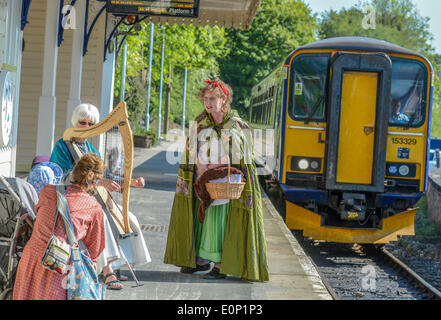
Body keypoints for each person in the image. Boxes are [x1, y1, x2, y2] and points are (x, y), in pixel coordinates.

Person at [163, 79, 269, 281]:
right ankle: (201, 260)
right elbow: (191, 148)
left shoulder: (235, 124)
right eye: (205, 98)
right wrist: (199, 165)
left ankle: (221, 264)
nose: (208, 102)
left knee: (219, 221)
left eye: (212, 98)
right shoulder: (201, 121)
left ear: (224, 100)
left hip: (225, 180)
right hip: (201, 177)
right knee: (200, 216)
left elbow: (239, 154)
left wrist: (214, 167)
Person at [50, 103, 150, 290]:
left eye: (91, 124)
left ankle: (118, 264)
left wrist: (130, 182)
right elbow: (61, 176)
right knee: (101, 218)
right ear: (75, 122)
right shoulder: (62, 146)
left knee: (128, 218)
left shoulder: (92, 151)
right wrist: (96, 182)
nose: (86, 127)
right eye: (82, 122)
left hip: (92, 198)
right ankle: (107, 270)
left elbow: (106, 179)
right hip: (71, 198)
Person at [13, 153, 107, 300]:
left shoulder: (48, 191)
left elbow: (41, 215)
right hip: (58, 265)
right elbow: (95, 248)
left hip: (32, 258)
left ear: (74, 172)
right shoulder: (94, 207)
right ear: (95, 180)